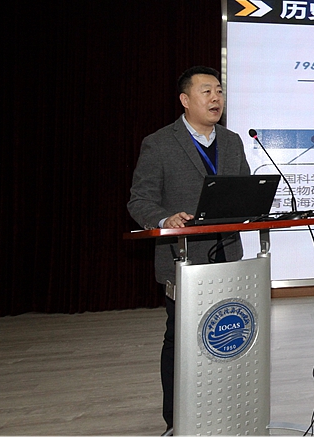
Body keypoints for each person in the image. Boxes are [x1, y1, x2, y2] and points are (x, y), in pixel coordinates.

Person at [127, 66, 250, 434]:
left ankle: (227, 413)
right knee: (181, 340)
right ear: (185, 100)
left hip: (229, 257)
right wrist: (165, 218)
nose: (216, 98)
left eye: (219, 91)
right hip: (184, 259)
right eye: (206, 91)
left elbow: (244, 191)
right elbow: (139, 200)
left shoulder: (232, 141)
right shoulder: (160, 143)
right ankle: (177, 421)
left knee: (230, 337)